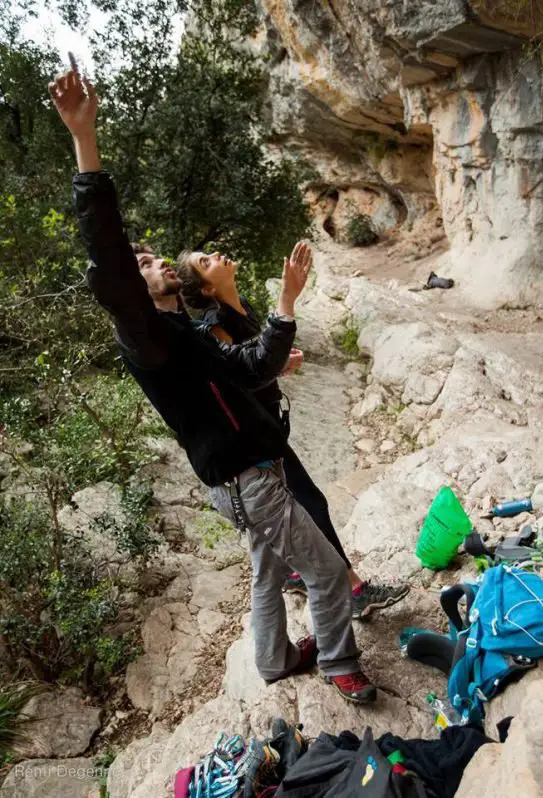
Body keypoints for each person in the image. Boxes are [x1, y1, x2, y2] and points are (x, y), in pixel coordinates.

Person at [49, 65, 378, 703]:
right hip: (248, 478)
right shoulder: (146, 336)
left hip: (241, 478)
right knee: (328, 574)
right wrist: (84, 142)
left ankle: (276, 659)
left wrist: (285, 304)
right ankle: (340, 663)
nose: (155, 262)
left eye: (154, 257)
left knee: (264, 572)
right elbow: (112, 269)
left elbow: (252, 368)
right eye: (145, 264)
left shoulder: (189, 334)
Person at [176, 252, 410, 620]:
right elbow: (232, 385)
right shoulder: (215, 325)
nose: (215, 254)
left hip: (265, 431)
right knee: (312, 503)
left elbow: (250, 368)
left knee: (302, 507)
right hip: (251, 445)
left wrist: (277, 366)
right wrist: (287, 302)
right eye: (205, 261)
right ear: (208, 288)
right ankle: (353, 591)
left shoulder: (240, 309)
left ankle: (300, 574)